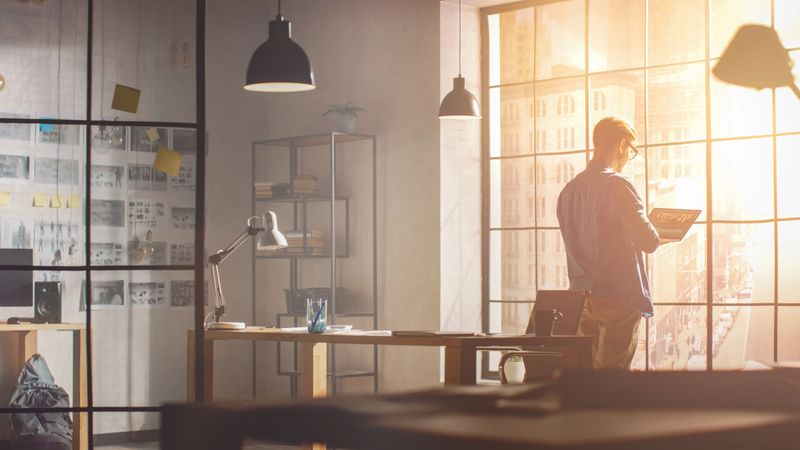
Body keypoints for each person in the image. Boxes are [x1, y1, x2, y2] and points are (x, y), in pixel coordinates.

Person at [557, 117, 660, 369]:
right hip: (617, 295)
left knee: (584, 372)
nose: (628, 157)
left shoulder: (568, 191)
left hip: (581, 297)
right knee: (612, 375)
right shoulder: (617, 184)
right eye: (631, 151)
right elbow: (648, 241)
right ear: (623, 145)